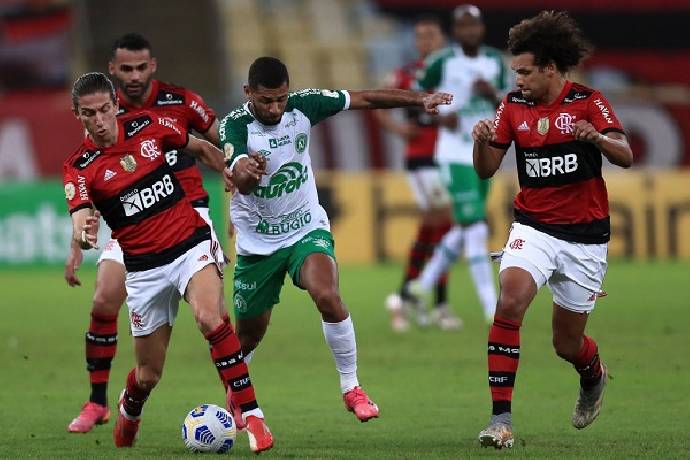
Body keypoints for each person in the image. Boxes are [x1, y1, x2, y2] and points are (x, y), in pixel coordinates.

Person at [219, 57, 452, 423]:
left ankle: (351, 386)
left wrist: (418, 99)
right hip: (258, 244)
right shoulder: (234, 126)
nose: (275, 107)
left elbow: (365, 99)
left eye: (281, 98)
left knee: (327, 294)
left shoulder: (303, 107)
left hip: (305, 228)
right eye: (266, 100)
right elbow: (239, 178)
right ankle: (235, 393)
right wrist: (246, 171)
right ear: (249, 93)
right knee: (247, 336)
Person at [63, 72, 273, 452]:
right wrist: (83, 234)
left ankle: (254, 417)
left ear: (115, 105)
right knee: (147, 374)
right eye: (88, 114)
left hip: (189, 244)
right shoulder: (80, 166)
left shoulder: (149, 124)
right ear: (77, 115)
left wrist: (227, 173)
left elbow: (200, 147)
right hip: (144, 271)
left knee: (211, 318)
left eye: (105, 110)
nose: (99, 120)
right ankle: (129, 407)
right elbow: (79, 215)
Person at [471, 11, 632, 448]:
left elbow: (626, 153)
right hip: (533, 226)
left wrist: (597, 139)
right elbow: (486, 170)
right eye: (515, 71)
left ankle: (592, 374)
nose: (518, 78)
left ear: (550, 68)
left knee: (567, 343)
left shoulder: (587, 101)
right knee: (511, 300)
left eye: (525, 71)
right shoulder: (513, 106)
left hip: (585, 237)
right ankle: (500, 420)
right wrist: (480, 141)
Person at [64, 33, 227, 434]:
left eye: (141, 67)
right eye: (126, 69)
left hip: (189, 215)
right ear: (113, 70)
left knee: (213, 315)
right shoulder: (99, 118)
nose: (134, 76)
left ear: (152, 66)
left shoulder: (179, 102)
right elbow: (83, 195)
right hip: (133, 226)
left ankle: (236, 400)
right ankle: (97, 402)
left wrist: (237, 171)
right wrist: (76, 244)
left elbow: (217, 140)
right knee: (104, 295)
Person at [410, 4, 508, 325]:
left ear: (481, 29)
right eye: (462, 26)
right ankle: (491, 309)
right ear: (455, 31)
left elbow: (510, 105)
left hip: (486, 152)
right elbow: (413, 100)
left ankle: (419, 289)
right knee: (476, 228)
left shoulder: (495, 61)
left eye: (474, 26)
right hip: (453, 154)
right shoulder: (441, 61)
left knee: (466, 226)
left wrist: (492, 94)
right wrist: (438, 115)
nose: (469, 32)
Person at [376, 15, 456, 331]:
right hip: (421, 158)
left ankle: (407, 294)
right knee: (445, 223)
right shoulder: (407, 75)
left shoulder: (452, 73)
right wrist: (398, 129)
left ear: (442, 39)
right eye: (421, 36)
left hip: (450, 157)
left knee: (433, 226)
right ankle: (438, 302)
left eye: (431, 35)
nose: (426, 41)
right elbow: (378, 100)